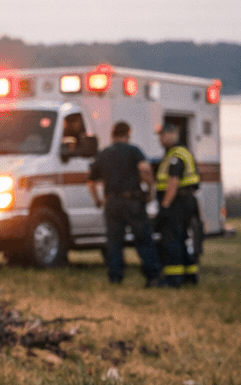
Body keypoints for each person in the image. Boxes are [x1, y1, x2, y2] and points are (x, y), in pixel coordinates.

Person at [86, 121, 159, 286]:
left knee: (114, 242)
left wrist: (98, 200)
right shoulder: (133, 151)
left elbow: (91, 182)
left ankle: (115, 277)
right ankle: (152, 275)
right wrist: (150, 190)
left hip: (111, 202)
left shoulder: (103, 154)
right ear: (128, 133)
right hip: (132, 201)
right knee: (143, 239)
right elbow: (145, 170)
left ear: (112, 135)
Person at [154, 123, 202, 287]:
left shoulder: (176, 156)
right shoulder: (179, 152)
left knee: (172, 240)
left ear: (172, 135)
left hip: (178, 203)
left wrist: (165, 206)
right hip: (186, 201)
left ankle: (173, 279)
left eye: (163, 135)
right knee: (182, 239)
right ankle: (190, 276)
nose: (161, 139)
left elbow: (173, 182)